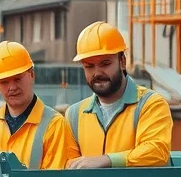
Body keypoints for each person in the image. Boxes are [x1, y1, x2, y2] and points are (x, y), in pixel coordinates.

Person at [64, 21, 173, 168]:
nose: (97, 73)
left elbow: (156, 152)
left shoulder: (150, 104)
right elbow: (68, 164)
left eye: (105, 63)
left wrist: (107, 160)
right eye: (89, 66)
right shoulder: (74, 115)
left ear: (122, 61)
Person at [0, 41, 73, 169]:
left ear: (32, 74)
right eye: (4, 82)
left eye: (17, 79)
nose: (12, 87)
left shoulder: (54, 125)